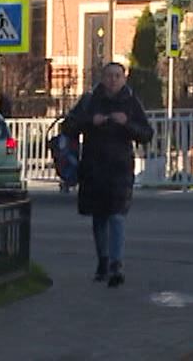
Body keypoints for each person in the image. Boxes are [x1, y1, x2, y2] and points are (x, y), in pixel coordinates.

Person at [61, 61, 153, 287]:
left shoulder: (130, 102)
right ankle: (103, 260)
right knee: (99, 217)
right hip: (93, 167)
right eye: (109, 76)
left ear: (124, 78)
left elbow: (146, 133)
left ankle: (116, 265)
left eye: (117, 76)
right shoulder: (90, 100)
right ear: (102, 78)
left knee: (117, 216)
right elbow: (68, 126)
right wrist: (90, 122)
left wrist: (127, 123)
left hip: (120, 168)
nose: (113, 80)